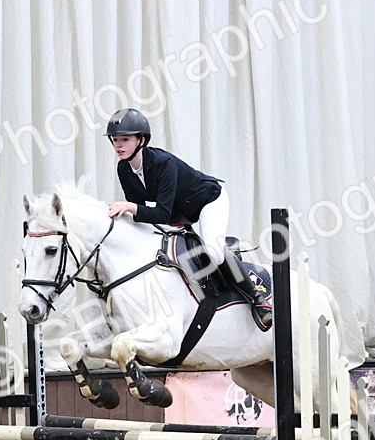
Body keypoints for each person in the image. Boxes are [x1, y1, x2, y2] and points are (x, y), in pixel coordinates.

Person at [103, 108, 273, 330]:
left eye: (125, 139)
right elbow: (142, 215)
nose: (119, 145)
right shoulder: (123, 169)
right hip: (179, 211)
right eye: (115, 140)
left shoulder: (163, 163)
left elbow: (159, 213)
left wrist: (128, 207)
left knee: (213, 252)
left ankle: (258, 300)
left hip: (208, 200)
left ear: (142, 140)